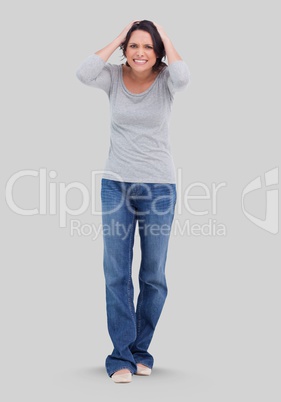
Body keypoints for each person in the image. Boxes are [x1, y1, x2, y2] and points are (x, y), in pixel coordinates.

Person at [76, 20, 190, 383]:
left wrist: (166, 37)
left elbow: (184, 75)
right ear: (127, 47)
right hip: (116, 186)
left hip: (159, 189)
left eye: (149, 47)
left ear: (157, 52)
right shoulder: (111, 77)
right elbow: (83, 72)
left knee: (153, 275)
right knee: (116, 274)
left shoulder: (166, 81)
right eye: (135, 45)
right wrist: (118, 37)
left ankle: (141, 351)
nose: (141, 52)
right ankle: (120, 357)